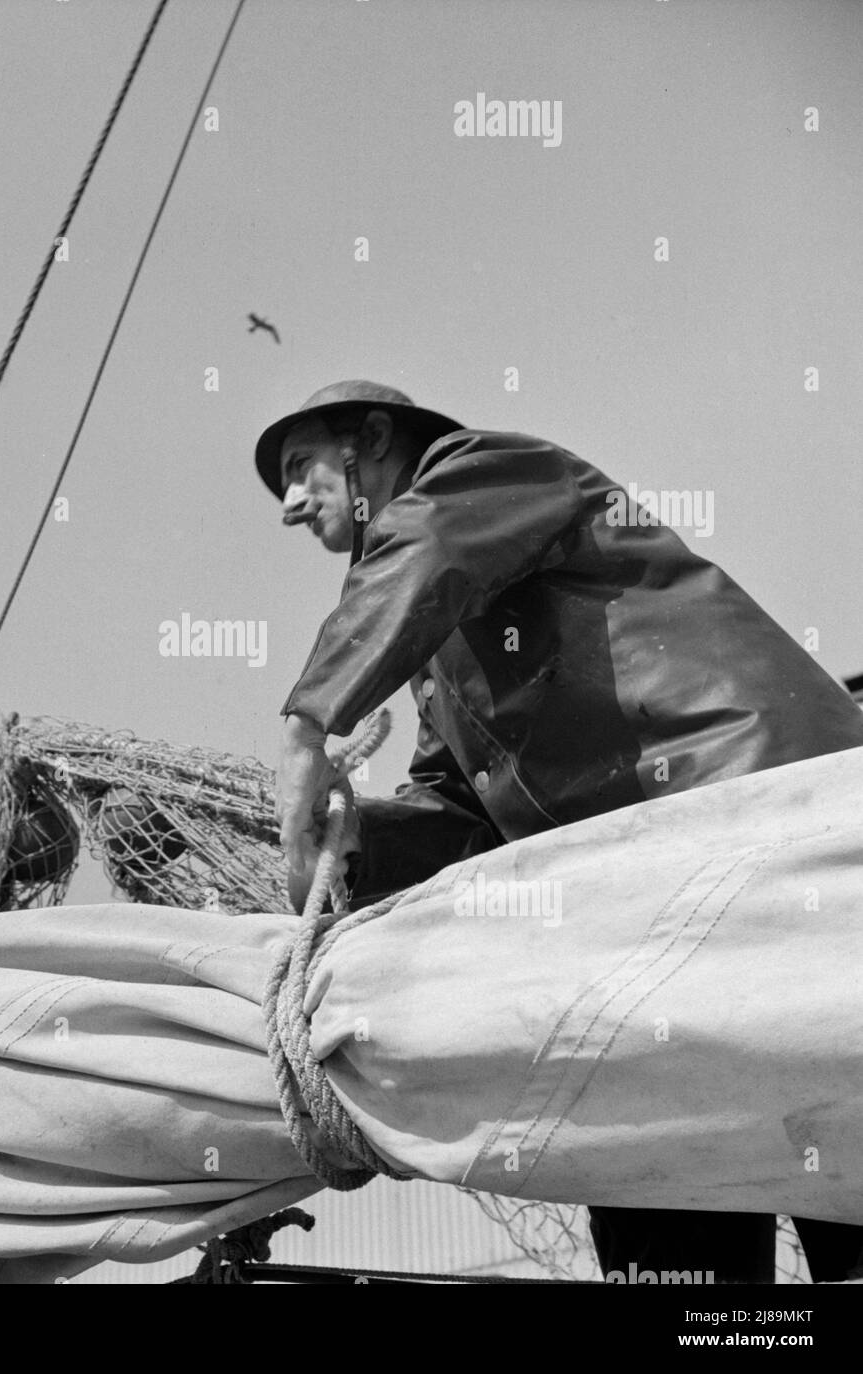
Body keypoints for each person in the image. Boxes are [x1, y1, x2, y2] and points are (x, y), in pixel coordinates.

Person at [261, 378, 863, 1284]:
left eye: (301, 467)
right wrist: (361, 840)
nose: (289, 503)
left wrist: (309, 727)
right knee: (669, 1218)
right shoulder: (437, 655)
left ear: (373, 441)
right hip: (642, 928)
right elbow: (464, 815)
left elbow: (426, 548)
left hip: (759, 829)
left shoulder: (486, 471)